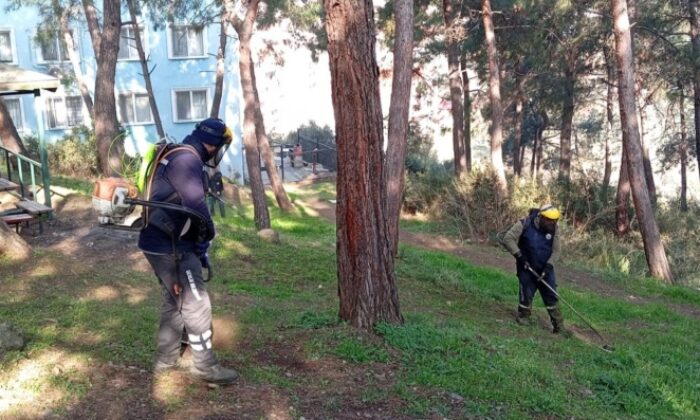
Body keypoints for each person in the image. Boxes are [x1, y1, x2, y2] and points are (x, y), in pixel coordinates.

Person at [138, 118, 238, 384]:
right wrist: (208, 233)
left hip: (159, 241)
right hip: (172, 246)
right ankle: (205, 367)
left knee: (175, 301)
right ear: (213, 144)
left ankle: (165, 360)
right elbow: (195, 204)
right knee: (197, 305)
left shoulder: (177, 152)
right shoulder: (187, 160)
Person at [500, 204, 564, 333]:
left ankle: (558, 325)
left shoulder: (554, 229)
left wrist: (548, 266)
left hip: (545, 267)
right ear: (541, 217)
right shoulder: (525, 223)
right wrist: (519, 256)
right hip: (526, 266)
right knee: (527, 293)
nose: (552, 224)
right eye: (549, 220)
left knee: (551, 294)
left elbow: (556, 251)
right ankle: (523, 316)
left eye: (555, 221)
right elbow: (508, 239)